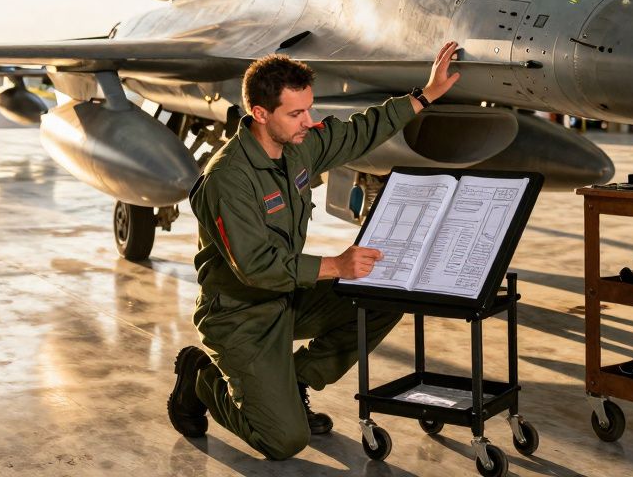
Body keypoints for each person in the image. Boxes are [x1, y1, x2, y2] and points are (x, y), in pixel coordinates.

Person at [167, 41, 462, 460]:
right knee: (283, 441)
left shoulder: (298, 144)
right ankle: (201, 377)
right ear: (260, 113)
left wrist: (424, 96)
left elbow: (357, 131)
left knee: (385, 296)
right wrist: (337, 265)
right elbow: (256, 268)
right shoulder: (228, 179)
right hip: (240, 314)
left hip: (289, 297)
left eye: (309, 108)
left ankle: (294, 379)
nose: (310, 120)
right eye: (296, 113)